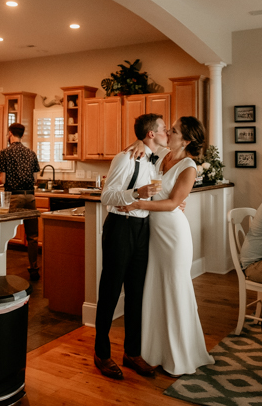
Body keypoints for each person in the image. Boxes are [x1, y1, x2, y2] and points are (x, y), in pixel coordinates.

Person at [118, 117, 214, 376]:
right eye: (168, 129)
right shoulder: (161, 156)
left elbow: (173, 203)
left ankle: (179, 353)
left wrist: (138, 204)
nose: (168, 133)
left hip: (173, 234)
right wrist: (138, 141)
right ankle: (153, 351)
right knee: (154, 288)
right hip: (152, 233)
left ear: (186, 139)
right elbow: (138, 147)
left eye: (173, 130)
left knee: (173, 288)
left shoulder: (189, 166)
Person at [94, 114, 168, 380]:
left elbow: (177, 147)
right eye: (163, 129)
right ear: (151, 134)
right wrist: (137, 193)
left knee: (137, 292)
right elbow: (107, 197)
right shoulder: (125, 158)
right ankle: (101, 354)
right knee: (111, 292)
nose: (167, 132)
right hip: (120, 226)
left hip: (142, 228)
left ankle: (132, 352)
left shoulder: (154, 157)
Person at [0, 123, 41, 280]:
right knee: (32, 236)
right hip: (30, 196)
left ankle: (0, 269)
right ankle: (34, 269)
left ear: (10, 134)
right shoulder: (31, 153)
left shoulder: (4, 153)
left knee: (5, 234)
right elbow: (36, 179)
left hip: (13, 197)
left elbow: (2, 179)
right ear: (22, 134)